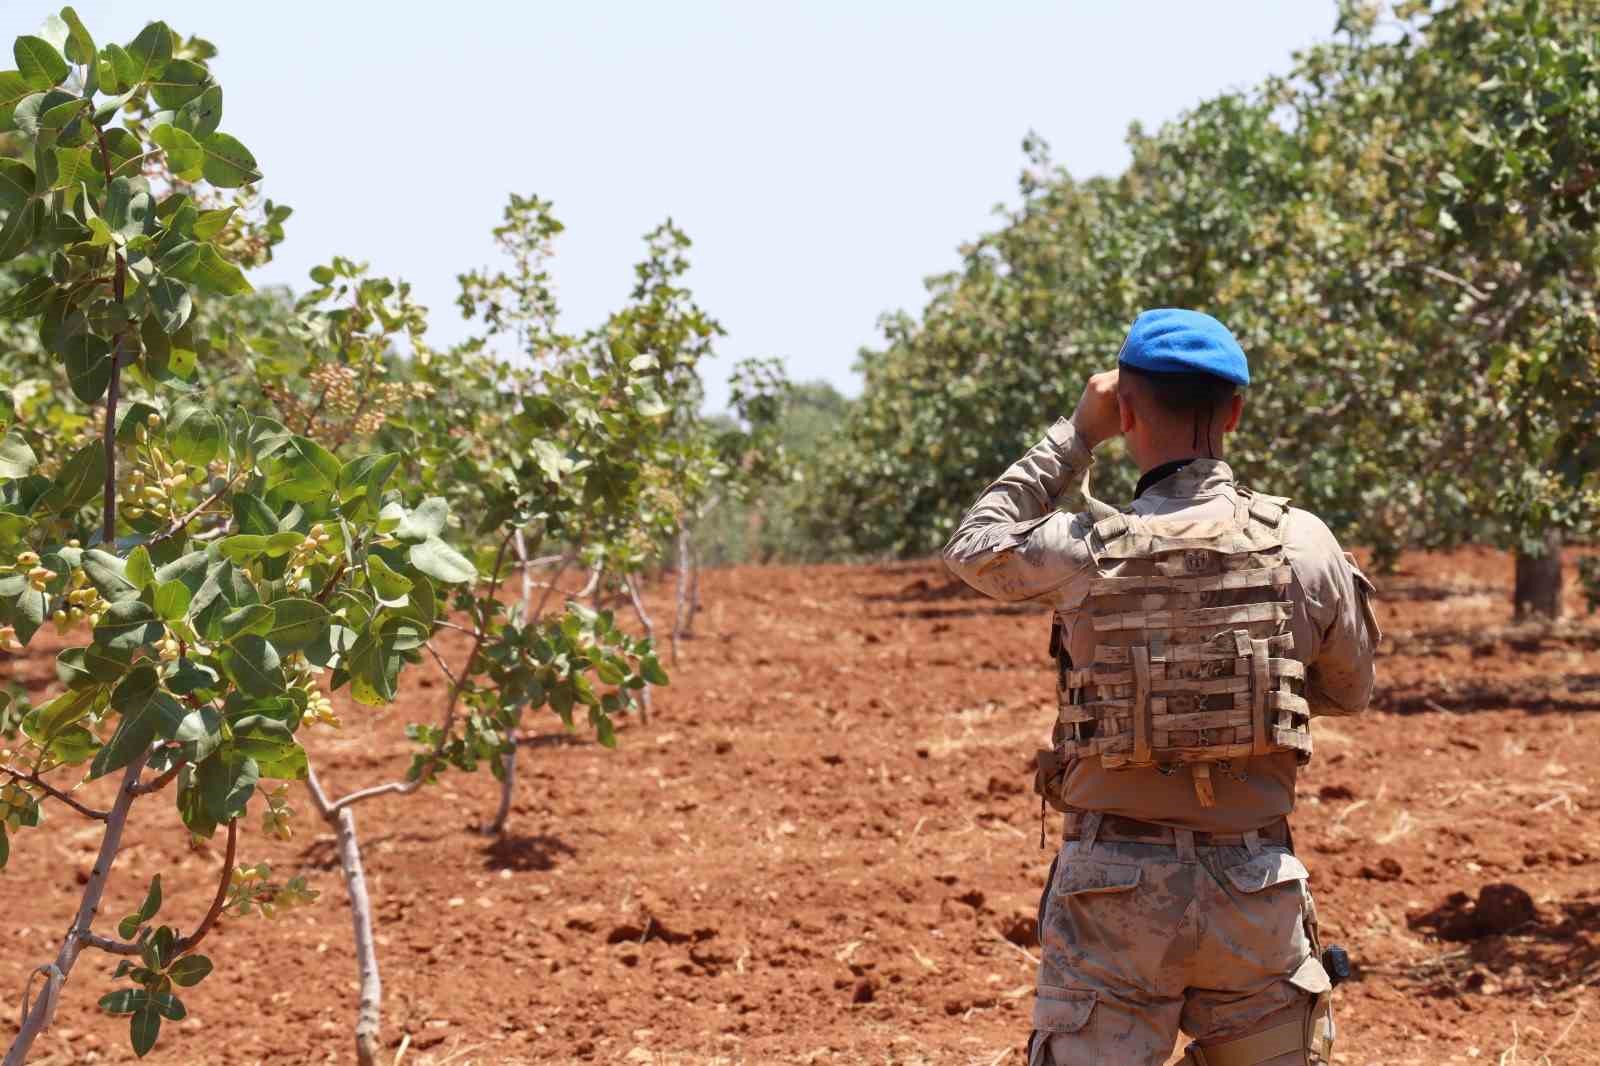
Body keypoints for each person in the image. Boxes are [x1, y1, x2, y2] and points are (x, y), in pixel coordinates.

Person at [942, 309, 1380, 1066]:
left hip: (1113, 893)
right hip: (1255, 886)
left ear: (1127, 410)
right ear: (1235, 412)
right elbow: (1346, 690)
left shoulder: (1081, 546)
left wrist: (1077, 434)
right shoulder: (1303, 542)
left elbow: (973, 546)